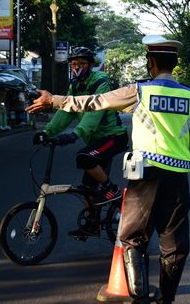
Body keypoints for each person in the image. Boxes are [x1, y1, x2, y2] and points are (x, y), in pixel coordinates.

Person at [26, 35, 190, 304]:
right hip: (178, 179)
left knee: (131, 237)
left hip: (145, 176)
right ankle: (166, 299)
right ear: (175, 63)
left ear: (152, 62)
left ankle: (138, 296)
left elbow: (93, 102)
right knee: (175, 245)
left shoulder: (140, 91)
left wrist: (53, 99)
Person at [32, 46, 129, 239]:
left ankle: (113, 189)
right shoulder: (75, 85)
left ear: (92, 65)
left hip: (112, 137)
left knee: (84, 157)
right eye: (74, 64)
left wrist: (75, 134)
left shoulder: (100, 81)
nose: (76, 67)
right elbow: (67, 110)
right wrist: (47, 131)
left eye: (81, 63)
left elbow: (94, 112)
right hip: (96, 140)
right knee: (88, 188)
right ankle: (93, 224)